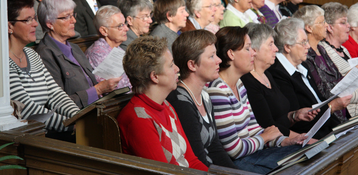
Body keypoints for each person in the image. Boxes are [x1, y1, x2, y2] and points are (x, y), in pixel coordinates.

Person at [208, 26, 305, 174]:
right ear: (231, 54)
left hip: (253, 152)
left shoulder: (239, 83)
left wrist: (283, 141)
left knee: (307, 154)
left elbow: (253, 128)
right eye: (248, 49)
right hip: (238, 163)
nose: (253, 52)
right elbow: (234, 150)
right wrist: (265, 138)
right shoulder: (218, 90)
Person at [117, 36, 208, 171]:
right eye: (171, 65)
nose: (177, 69)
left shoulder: (166, 105)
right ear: (155, 76)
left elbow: (192, 161)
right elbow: (162, 173)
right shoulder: (138, 119)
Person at [8, 0, 79, 141]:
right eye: (28, 20)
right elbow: (27, 109)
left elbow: (55, 94)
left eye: (34, 18)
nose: (35, 24)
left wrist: (78, 117)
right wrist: (71, 125)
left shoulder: (31, 55)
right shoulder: (3, 62)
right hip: (27, 138)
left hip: (48, 132)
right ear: (10, 26)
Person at [268, 18, 351, 138]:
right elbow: (299, 123)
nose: (308, 46)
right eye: (303, 42)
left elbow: (319, 101)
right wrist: (332, 107)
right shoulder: (278, 74)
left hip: (327, 130)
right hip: (309, 138)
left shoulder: (303, 65)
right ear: (287, 47)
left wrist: (340, 128)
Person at [36, 0, 121, 109]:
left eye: (73, 15)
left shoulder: (74, 48)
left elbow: (92, 81)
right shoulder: (45, 55)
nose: (74, 20)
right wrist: (98, 89)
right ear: (50, 24)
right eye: (67, 17)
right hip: (75, 120)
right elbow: (58, 104)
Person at [167, 30, 236, 168]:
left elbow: (215, 147)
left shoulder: (204, 95)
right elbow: (196, 160)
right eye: (211, 56)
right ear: (192, 65)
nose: (219, 60)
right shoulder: (181, 102)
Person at [241, 23, 318, 140]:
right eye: (270, 44)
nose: (276, 49)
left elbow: (280, 118)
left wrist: (294, 115)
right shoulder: (248, 82)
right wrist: (304, 138)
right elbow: (268, 126)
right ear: (254, 49)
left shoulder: (267, 74)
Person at [293, 5, 347, 122]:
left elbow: (337, 76)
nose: (326, 26)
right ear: (309, 28)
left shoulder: (321, 49)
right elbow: (321, 89)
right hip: (326, 117)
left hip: (341, 112)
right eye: (322, 22)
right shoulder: (305, 55)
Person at [85, 5, 131, 91]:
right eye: (120, 26)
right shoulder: (98, 52)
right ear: (104, 31)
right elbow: (116, 88)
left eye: (125, 23)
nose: (126, 28)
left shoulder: (118, 49)